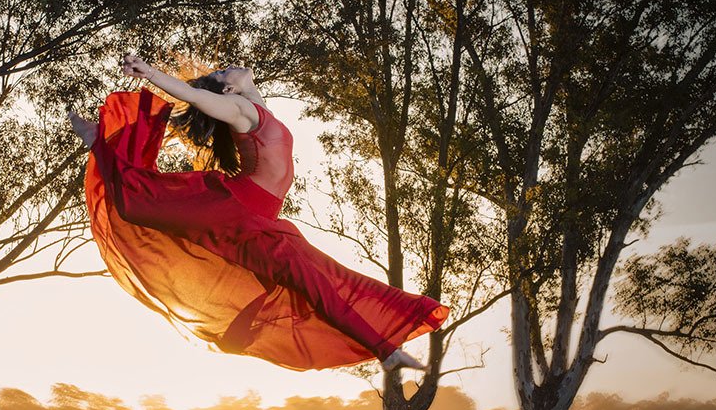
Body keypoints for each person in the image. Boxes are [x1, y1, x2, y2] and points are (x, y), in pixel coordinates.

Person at [69, 55, 449, 373]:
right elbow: (193, 95)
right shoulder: (238, 108)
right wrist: (150, 73)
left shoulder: (258, 109)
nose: (226, 68)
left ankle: (387, 350)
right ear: (230, 90)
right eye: (222, 75)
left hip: (261, 225)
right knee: (140, 203)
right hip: (237, 209)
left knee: (321, 281)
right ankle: (102, 145)